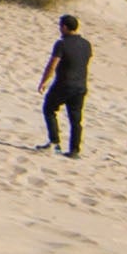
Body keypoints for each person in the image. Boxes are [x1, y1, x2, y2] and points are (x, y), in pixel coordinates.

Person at [38, 14, 93, 156]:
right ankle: (74, 151)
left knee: (49, 109)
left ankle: (54, 142)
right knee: (76, 119)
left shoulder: (61, 43)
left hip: (64, 84)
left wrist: (44, 81)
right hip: (80, 86)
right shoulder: (86, 44)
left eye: (60, 26)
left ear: (64, 27)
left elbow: (52, 64)